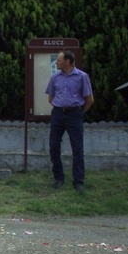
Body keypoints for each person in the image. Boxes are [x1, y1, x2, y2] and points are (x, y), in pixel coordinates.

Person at [46, 50, 94, 192]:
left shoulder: (82, 77)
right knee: (53, 146)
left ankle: (78, 181)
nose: (57, 62)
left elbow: (89, 99)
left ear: (67, 62)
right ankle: (58, 177)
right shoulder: (55, 77)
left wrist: (79, 112)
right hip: (58, 114)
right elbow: (50, 97)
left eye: (59, 60)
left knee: (77, 148)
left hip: (74, 114)